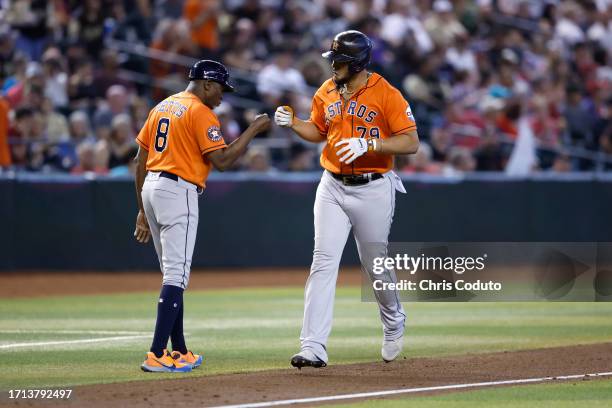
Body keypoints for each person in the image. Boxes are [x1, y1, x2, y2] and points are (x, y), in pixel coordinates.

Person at [274, 31, 419, 368]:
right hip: (332, 185)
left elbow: (410, 141)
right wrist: (295, 123)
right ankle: (312, 346)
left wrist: (371, 145)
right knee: (323, 261)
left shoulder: (387, 94)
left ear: (356, 63)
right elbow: (318, 131)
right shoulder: (327, 90)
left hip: (373, 186)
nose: (332, 65)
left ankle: (394, 320)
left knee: (375, 265)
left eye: (338, 60)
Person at [134, 60, 270, 373]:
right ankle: (156, 353)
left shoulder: (162, 107)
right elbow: (222, 161)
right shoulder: (199, 111)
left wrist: (142, 208)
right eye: (221, 88)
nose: (223, 95)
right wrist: (252, 130)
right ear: (207, 84)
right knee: (176, 276)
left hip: (153, 189)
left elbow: (139, 159)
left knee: (173, 275)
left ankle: (179, 350)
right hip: (177, 190)